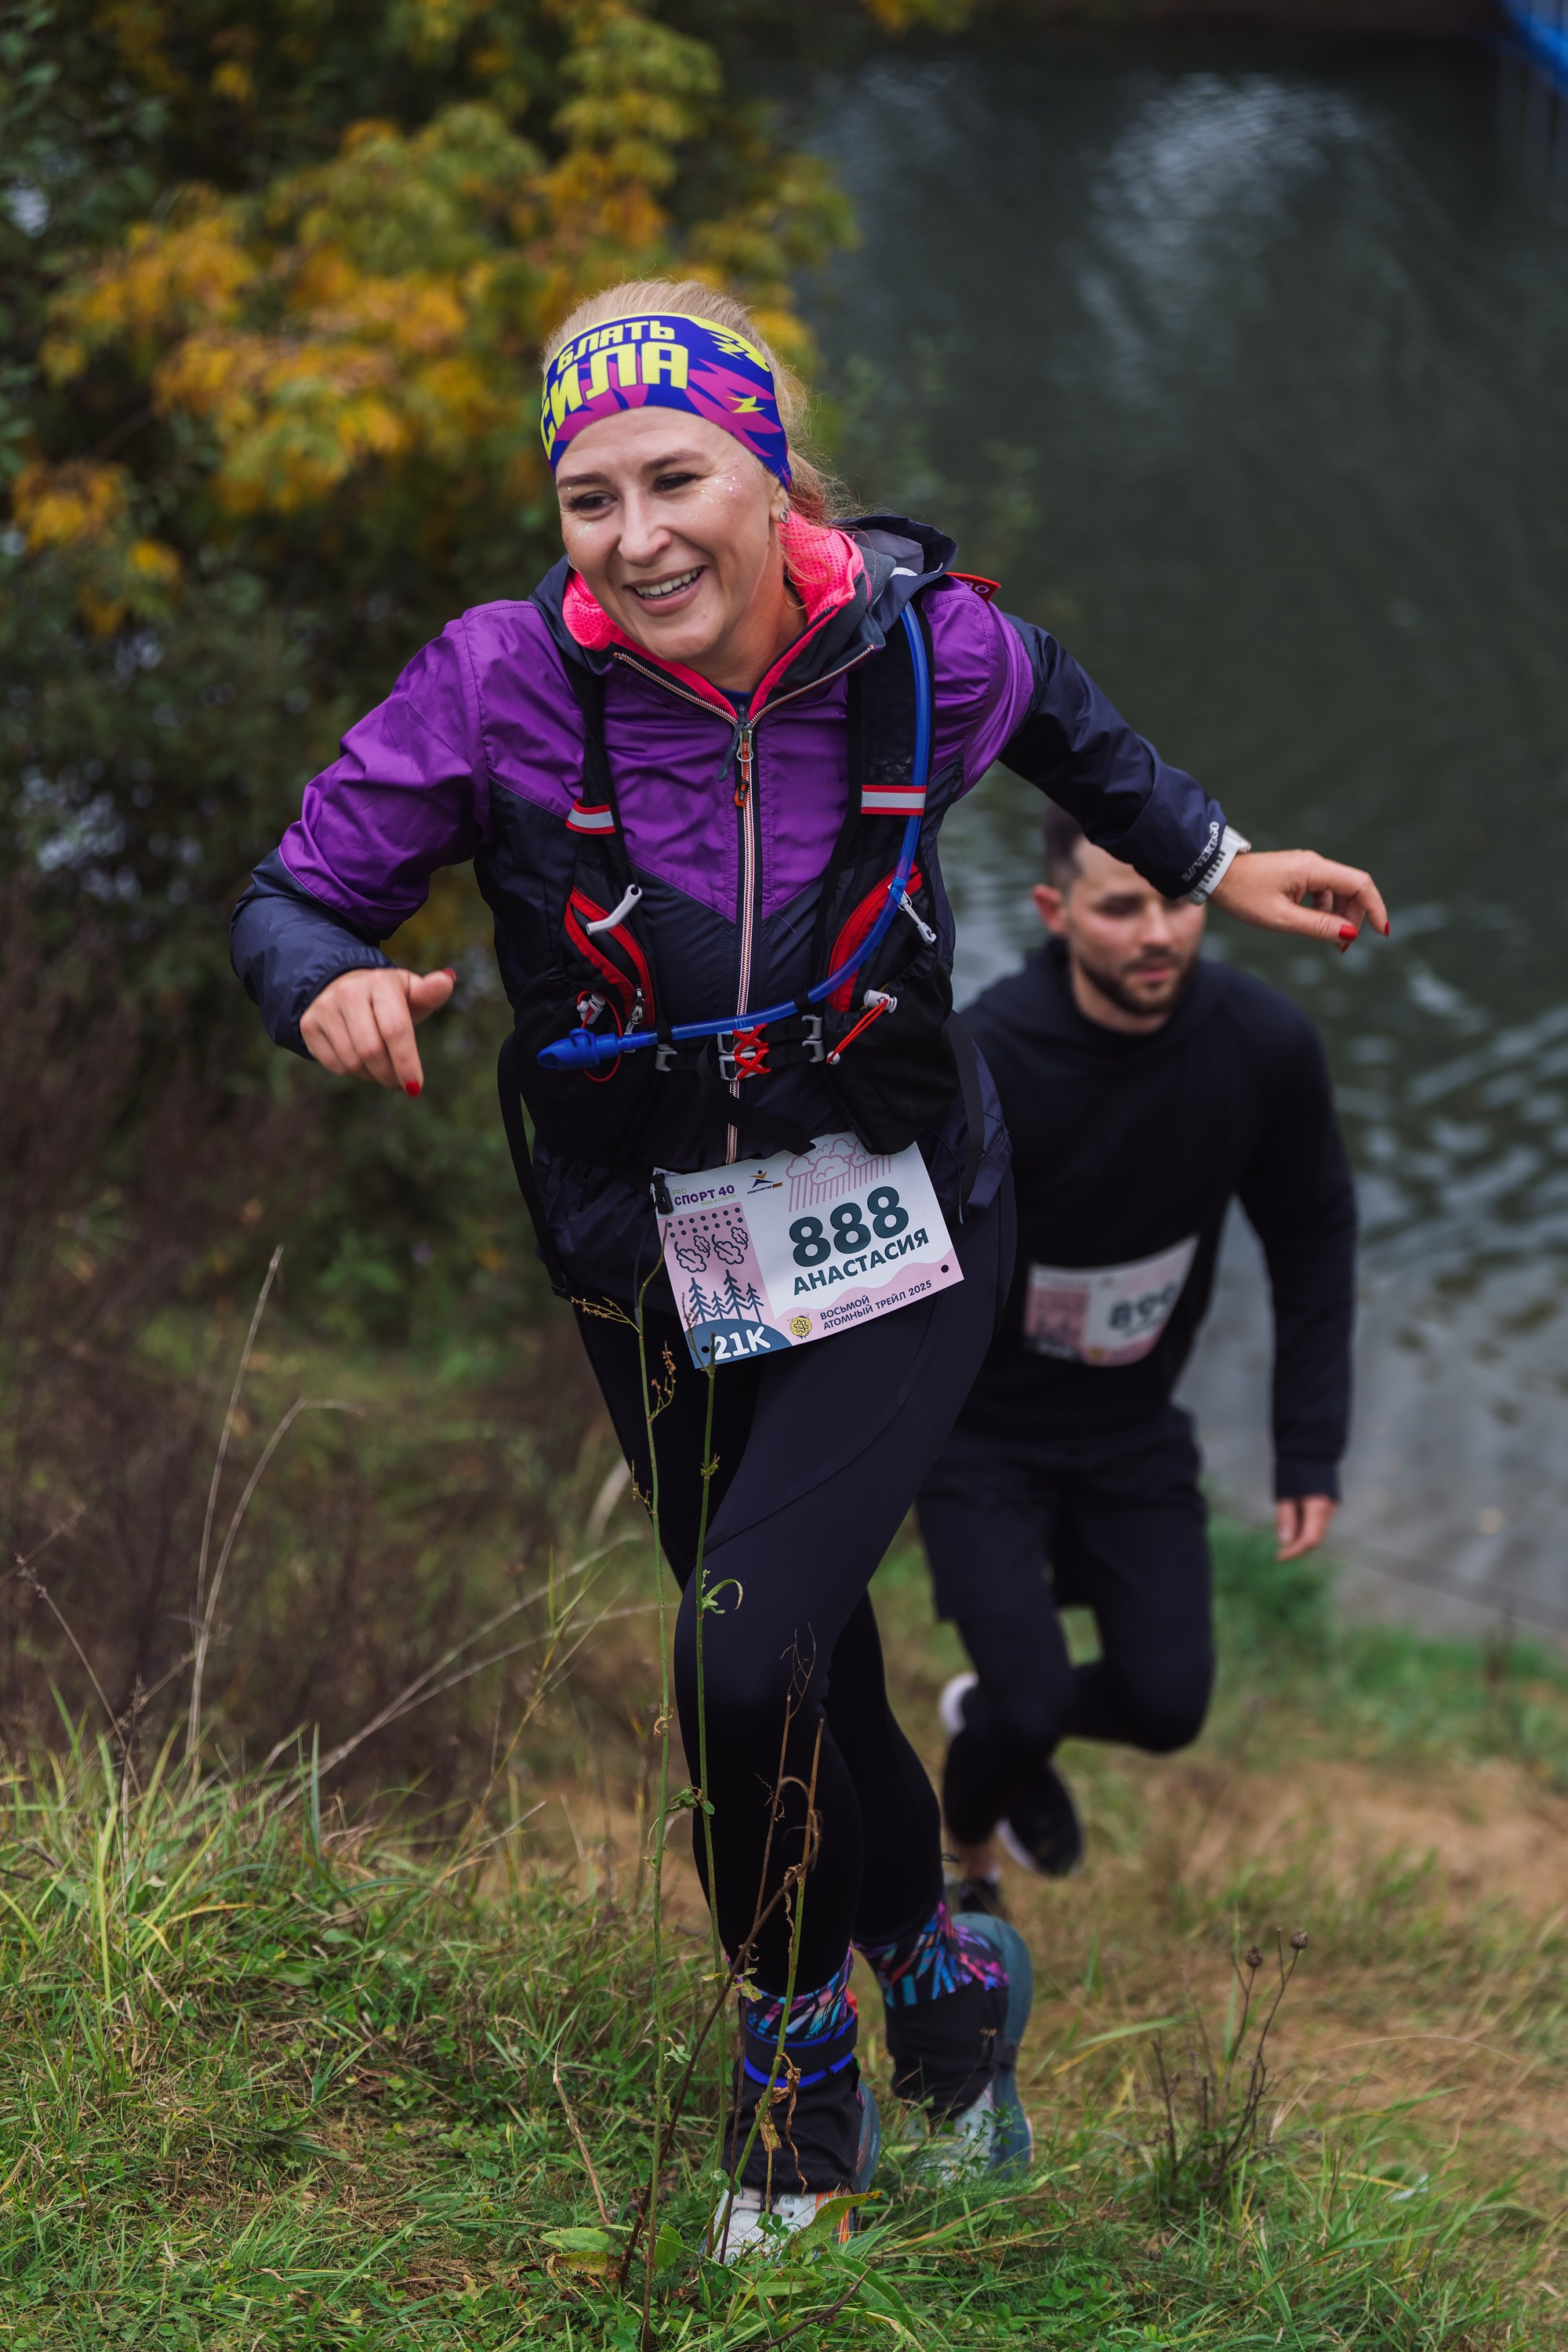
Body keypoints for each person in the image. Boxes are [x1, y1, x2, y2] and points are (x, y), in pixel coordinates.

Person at [230, 277, 1386, 2252]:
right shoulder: (500, 684)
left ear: (770, 479)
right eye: (589, 498)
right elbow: (294, 893)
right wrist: (326, 981)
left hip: (899, 1208)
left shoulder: (923, 649)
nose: (635, 537)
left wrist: (1212, 861)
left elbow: (1078, 729)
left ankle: (797, 2091)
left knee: (734, 1646)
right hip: (646, 1242)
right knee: (803, 1660)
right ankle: (943, 1987)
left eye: (676, 479)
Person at [919, 805, 1358, 1911]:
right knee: (1029, 1703)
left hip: (1131, 1427)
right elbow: (906, 1263)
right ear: (1055, 911)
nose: (1157, 933)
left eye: (1177, 901)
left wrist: (1308, 1444)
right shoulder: (988, 1057)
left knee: (1168, 1707)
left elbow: (1312, 1236)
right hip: (981, 1434)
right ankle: (967, 1867)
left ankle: (988, 1719)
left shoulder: (1263, 1045)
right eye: (1121, 908)